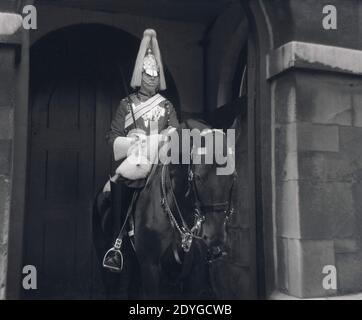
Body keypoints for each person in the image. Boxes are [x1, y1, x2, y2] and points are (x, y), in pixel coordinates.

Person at [101, 28, 179, 276]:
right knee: (122, 181)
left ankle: (185, 240)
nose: (153, 78)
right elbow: (112, 137)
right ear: (140, 74)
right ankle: (117, 243)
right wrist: (132, 141)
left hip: (162, 160)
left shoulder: (167, 105)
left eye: (156, 74)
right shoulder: (127, 104)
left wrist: (165, 137)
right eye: (148, 73)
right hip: (136, 160)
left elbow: (176, 131)